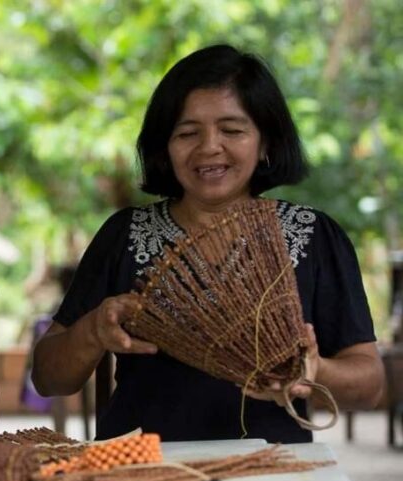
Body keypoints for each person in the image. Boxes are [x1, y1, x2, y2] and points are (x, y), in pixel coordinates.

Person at [31, 44, 385, 444]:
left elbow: (369, 385)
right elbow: (48, 378)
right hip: (142, 466)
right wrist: (94, 330)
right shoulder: (124, 235)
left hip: (272, 467)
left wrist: (316, 371)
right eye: (187, 133)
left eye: (232, 130)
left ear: (265, 142)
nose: (209, 147)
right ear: (165, 146)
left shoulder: (315, 236)